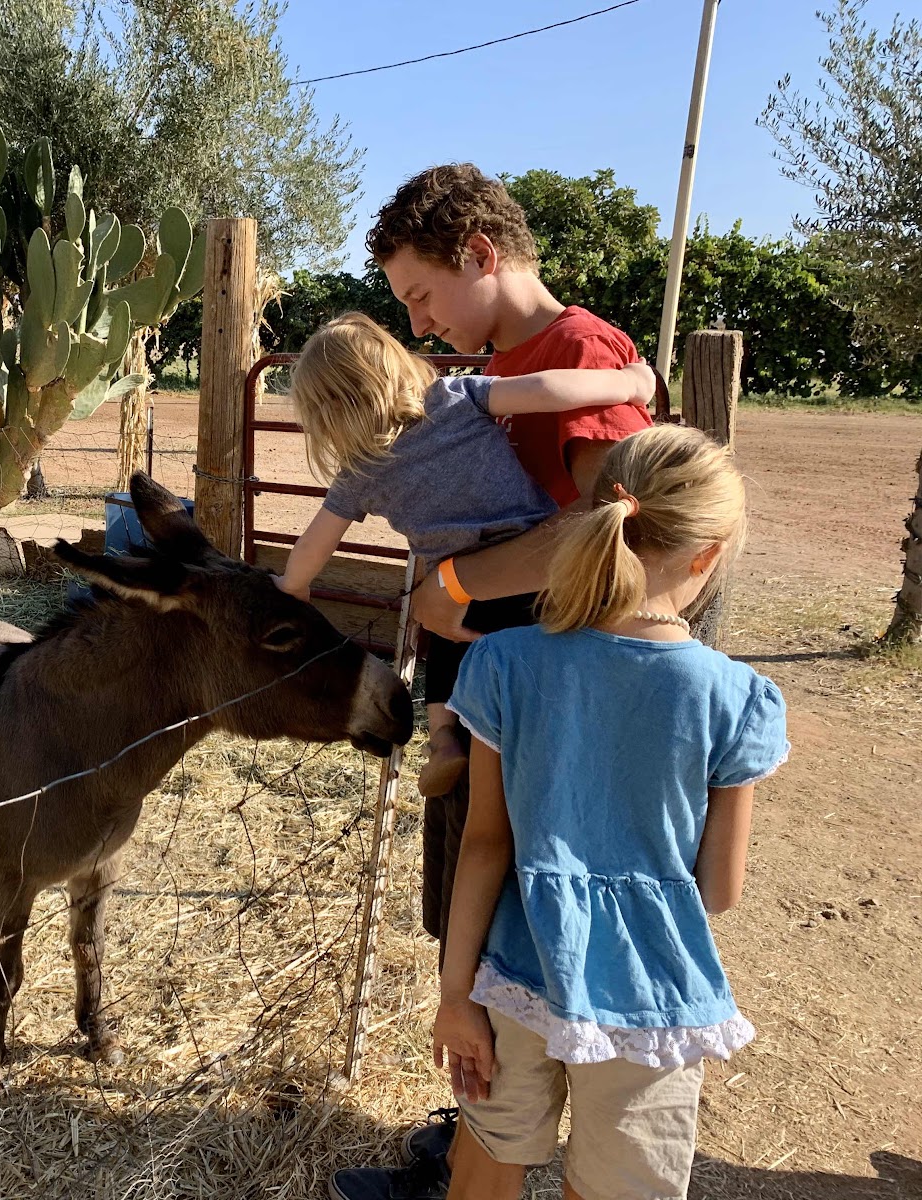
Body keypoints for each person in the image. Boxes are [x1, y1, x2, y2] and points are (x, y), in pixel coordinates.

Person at [331, 164, 654, 1200]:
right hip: (493, 686)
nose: (418, 321)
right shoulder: (506, 366)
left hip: (549, 703)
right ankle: (474, 1133)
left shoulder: (579, 353)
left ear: (479, 254)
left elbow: (610, 531)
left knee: (507, 911)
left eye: (422, 294)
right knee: (468, 904)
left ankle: (487, 1154)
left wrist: (456, 583)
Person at [429, 423, 788, 1199]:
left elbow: (484, 845)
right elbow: (719, 891)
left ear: (596, 517)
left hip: (515, 976)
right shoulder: (737, 698)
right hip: (651, 997)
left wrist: (455, 999)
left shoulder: (504, 662)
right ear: (708, 555)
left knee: (484, 1169)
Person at [273, 313, 655, 796]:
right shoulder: (456, 396)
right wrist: (628, 383)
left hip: (460, 587)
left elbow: (315, 543)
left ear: (323, 416)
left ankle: (443, 739)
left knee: (446, 646)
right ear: (394, 364)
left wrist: (293, 586)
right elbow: (548, 389)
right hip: (532, 568)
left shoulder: (358, 472)